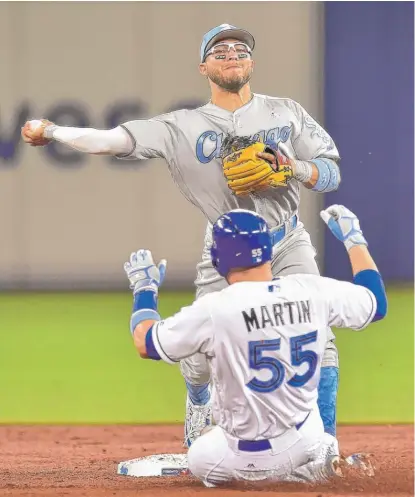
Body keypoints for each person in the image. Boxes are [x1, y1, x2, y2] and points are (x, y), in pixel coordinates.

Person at [21, 23, 342, 450]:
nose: (232, 54)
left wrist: (295, 168)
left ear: (252, 62)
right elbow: (109, 140)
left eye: (240, 49)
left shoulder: (286, 112)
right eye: (220, 50)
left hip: (287, 240)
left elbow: (331, 173)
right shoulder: (180, 126)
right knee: (199, 356)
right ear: (203, 66)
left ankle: (326, 448)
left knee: (320, 336)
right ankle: (198, 400)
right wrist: (53, 131)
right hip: (226, 249)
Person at [122, 204, 386, 486]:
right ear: (269, 251)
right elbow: (376, 303)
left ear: (217, 259)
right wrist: (354, 239)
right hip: (304, 437)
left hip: (243, 457)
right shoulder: (311, 290)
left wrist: (144, 289)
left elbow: (145, 343)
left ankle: (284, 475)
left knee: (199, 454)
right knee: (316, 433)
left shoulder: (215, 309)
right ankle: (315, 462)